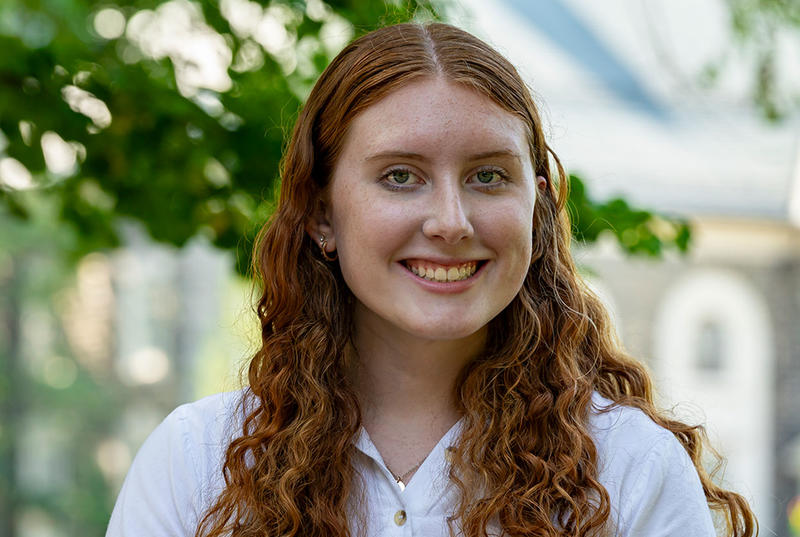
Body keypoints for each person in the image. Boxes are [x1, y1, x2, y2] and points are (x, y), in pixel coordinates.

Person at [106, 22, 757, 537]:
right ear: (321, 213)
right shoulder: (195, 466)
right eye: (400, 176)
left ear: (535, 206)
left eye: (487, 176)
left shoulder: (630, 469)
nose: (451, 221)